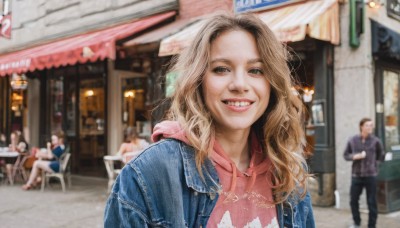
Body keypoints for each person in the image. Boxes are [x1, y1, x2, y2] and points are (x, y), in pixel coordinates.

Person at [104, 13, 314, 227]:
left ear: (272, 83)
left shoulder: (288, 172)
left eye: (256, 70)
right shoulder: (148, 175)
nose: (240, 84)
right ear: (198, 80)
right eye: (221, 69)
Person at [344, 118, 385, 228]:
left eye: (371, 125)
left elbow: (381, 155)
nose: (370, 127)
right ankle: (356, 222)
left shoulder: (376, 141)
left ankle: (372, 225)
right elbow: (346, 155)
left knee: (372, 202)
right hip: (356, 175)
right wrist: (354, 156)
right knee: (353, 201)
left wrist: (374, 165)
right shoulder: (352, 140)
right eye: (367, 125)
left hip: (370, 175)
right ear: (361, 126)